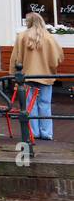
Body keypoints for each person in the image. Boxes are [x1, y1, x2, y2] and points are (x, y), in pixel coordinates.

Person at [10, 12, 65, 140]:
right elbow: (59, 57)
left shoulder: (22, 36)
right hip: (46, 76)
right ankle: (46, 133)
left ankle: (33, 132)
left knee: (30, 105)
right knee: (45, 104)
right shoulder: (49, 37)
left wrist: (13, 74)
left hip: (27, 76)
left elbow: (15, 58)